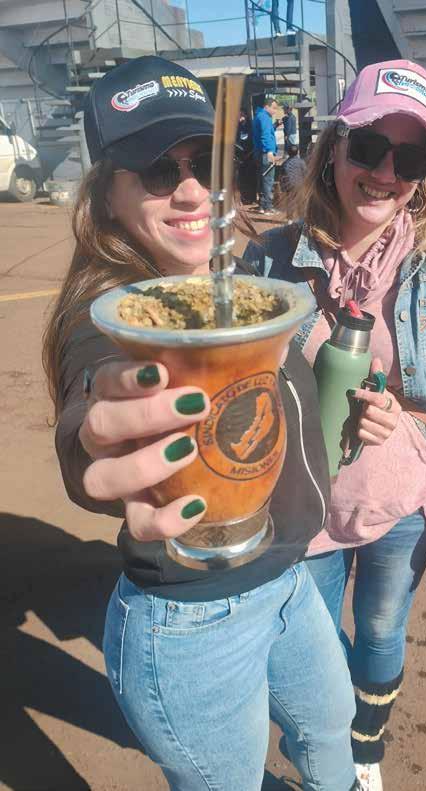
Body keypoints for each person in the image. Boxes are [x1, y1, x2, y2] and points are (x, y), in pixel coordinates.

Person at [42, 55, 361, 791]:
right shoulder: (116, 317)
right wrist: (93, 443)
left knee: (330, 729)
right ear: (107, 193)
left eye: (203, 163)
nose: (191, 188)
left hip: (288, 576)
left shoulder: (237, 279)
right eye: (159, 170)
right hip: (194, 616)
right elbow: (95, 401)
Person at [244, 59, 426, 791]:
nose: (385, 173)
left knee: (383, 629)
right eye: (368, 147)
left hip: (401, 496)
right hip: (305, 500)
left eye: (410, 159)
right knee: (310, 644)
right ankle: (325, 749)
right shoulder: (271, 260)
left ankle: (365, 750)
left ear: (425, 174)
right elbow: (239, 386)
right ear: (333, 148)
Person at [252, 96, 279, 215]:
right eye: (274, 108)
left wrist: (275, 126)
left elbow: (265, 132)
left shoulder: (259, 116)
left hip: (259, 152)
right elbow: (265, 135)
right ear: (267, 107)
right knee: (268, 180)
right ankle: (268, 207)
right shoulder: (265, 117)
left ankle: (262, 206)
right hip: (265, 153)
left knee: (262, 180)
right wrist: (269, 151)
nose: (275, 111)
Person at [281, 144, 306, 221]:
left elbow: (282, 176)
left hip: (289, 185)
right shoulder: (301, 162)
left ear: (288, 153)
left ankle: (290, 219)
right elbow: (305, 173)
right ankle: (301, 219)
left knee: (290, 202)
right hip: (299, 184)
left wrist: (283, 187)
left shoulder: (285, 163)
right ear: (297, 152)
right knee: (300, 202)